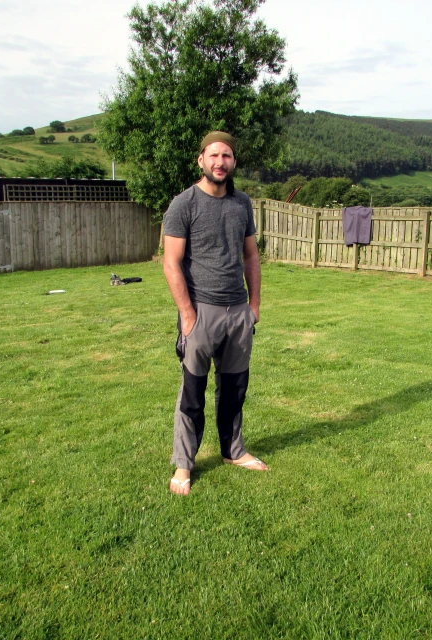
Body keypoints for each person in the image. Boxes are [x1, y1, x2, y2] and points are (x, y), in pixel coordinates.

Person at [163, 131, 268, 496]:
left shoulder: (242, 204)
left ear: (233, 162)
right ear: (201, 160)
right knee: (192, 391)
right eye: (214, 155)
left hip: (238, 312)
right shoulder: (183, 204)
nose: (220, 162)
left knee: (235, 388)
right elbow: (171, 263)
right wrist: (188, 315)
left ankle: (233, 451)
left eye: (227, 156)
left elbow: (251, 256)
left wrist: (253, 307)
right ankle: (183, 465)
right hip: (201, 313)